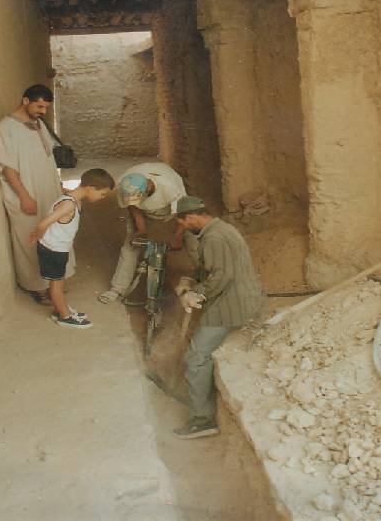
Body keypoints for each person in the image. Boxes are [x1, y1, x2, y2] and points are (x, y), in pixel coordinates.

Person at [172, 196, 264, 439]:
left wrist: (196, 295)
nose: (183, 229)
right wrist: (191, 280)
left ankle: (203, 419)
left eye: (182, 224)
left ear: (190, 217)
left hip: (232, 304)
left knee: (196, 357)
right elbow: (212, 268)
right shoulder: (221, 229)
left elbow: (221, 276)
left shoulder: (214, 238)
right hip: (237, 296)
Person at [0, 84, 75, 305]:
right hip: (26, 193)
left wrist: (58, 187)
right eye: (39, 106)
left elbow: (48, 159)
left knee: (52, 234)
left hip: (48, 191)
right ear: (25, 100)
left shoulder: (38, 124)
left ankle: (53, 283)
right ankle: (36, 286)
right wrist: (24, 196)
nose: (43, 111)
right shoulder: (6, 128)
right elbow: (7, 167)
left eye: (46, 108)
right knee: (29, 237)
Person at [98, 162, 198, 304]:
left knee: (192, 240)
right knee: (130, 246)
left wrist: (177, 237)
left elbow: (183, 215)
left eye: (139, 198)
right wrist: (141, 230)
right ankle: (117, 289)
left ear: (149, 187)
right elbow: (133, 207)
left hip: (173, 209)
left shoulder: (168, 187)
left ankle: (207, 281)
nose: (136, 201)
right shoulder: (124, 186)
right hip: (145, 213)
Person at [29, 169, 115, 329]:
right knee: (57, 284)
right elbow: (43, 224)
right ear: (91, 188)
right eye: (102, 194)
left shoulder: (73, 198)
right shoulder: (69, 204)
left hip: (58, 248)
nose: (103, 198)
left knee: (57, 282)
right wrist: (36, 236)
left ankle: (60, 310)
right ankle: (65, 317)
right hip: (53, 250)